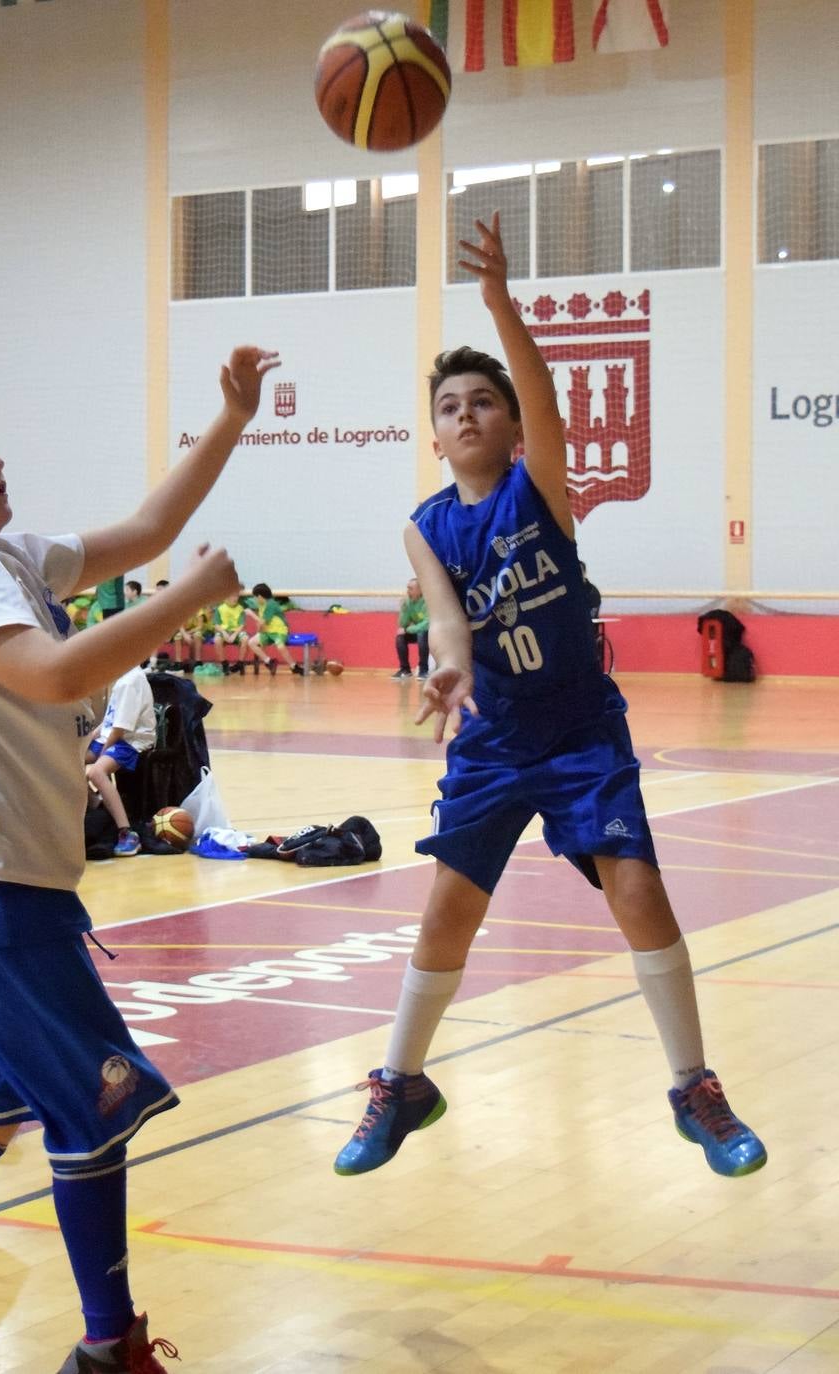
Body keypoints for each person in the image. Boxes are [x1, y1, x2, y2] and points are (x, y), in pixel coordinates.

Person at [0, 343, 278, 1374]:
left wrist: (232, 417)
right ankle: (108, 1346)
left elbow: (151, 528)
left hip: (4, 885)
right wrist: (184, 601)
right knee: (96, 1102)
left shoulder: (10, 558)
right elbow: (53, 673)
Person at [334, 213, 765, 1182]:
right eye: (450, 406)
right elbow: (446, 614)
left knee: (638, 888)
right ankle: (400, 1083)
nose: (468, 414)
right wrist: (449, 664)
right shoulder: (426, 525)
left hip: (578, 732)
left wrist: (501, 306)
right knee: (448, 913)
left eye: (485, 401)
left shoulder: (543, 492)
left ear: (514, 425)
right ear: (435, 433)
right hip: (491, 742)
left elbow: (550, 408)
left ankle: (693, 1085)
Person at [85, 665, 157, 857]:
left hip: (132, 740)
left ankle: (126, 832)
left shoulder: (129, 682)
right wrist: (90, 737)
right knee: (69, 759)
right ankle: (96, 804)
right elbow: (111, 720)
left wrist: (102, 756)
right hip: (113, 735)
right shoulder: (120, 676)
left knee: (96, 772)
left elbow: (120, 729)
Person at [245, 581, 302, 675]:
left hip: (279, 631)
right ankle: (269, 661)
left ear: (259, 596)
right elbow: (261, 623)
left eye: (255, 597)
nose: (254, 599)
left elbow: (262, 621)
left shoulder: (271, 605)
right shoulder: (261, 605)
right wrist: (259, 631)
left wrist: (251, 614)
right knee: (251, 642)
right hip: (267, 632)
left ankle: (294, 666)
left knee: (280, 645)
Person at [393, 576, 429, 679]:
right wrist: (404, 609)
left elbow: (427, 624)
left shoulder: (428, 601)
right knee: (400, 637)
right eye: (407, 588)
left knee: (422, 634)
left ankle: (423, 670)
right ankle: (405, 669)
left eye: (411, 588)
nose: (408, 591)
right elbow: (402, 625)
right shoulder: (408, 602)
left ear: (420, 590)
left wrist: (408, 629)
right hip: (418, 631)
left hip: (432, 634)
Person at [212, 591, 251, 674]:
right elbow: (216, 624)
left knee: (245, 638)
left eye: (237, 596)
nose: (235, 598)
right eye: (233, 596)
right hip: (224, 631)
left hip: (236, 632)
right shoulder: (220, 608)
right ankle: (224, 663)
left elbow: (242, 625)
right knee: (217, 640)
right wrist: (224, 632)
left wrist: (234, 635)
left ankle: (240, 663)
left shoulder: (240, 608)